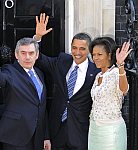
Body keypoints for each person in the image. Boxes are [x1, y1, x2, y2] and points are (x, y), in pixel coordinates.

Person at [34, 13, 101, 150]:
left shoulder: (96, 71)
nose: (77, 52)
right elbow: (38, 59)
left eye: (82, 49)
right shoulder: (62, 61)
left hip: (80, 131)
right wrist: (38, 38)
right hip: (56, 130)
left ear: (89, 50)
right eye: (74, 48)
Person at [0, 37, 51, 150]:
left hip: (37, 136)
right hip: (15, 136)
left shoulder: (39, 74)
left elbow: (42, 107)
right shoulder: (10, 70)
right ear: (16, 55)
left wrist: (46, 136)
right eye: (23, 53)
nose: (27, 57)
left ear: (37, 55)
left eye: (31, 53)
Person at [88, 37, 131, 150]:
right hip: (94, 129)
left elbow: (124, 90)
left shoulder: (116, 73)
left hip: (111, 130)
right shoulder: (98, 76)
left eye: (99, 54)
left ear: (109, 55)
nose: (95, 58)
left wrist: (121, 66)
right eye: (94, 54)